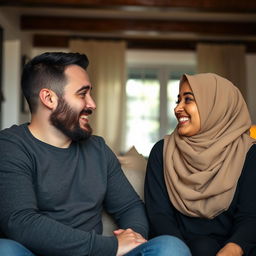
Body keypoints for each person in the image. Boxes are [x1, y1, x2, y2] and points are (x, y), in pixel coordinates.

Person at [0, 52, 191, 256]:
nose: (92, 104)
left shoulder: (97, 149)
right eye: (82, 94)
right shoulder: (11, 146)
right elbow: (21, 222)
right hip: (44, 253)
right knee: (5, 250)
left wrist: (132, 238)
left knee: (171, 247)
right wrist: (111, 246)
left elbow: (130, 207)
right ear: (49, 98)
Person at [145, 73, 256, 256]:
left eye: (188, 100)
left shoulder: (249, 154)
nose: (177, 108)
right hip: (181, 247)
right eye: (177, 100)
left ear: (216, 106)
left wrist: (233, 249)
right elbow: (159, 216)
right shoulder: (162, 151)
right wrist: (179, 251)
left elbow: (250, 217)